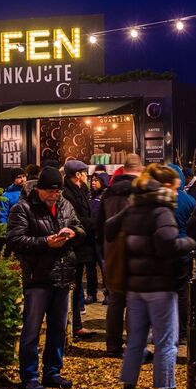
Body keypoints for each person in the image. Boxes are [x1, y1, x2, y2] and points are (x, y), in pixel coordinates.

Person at [104, 164, 196, 389]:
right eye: (175, 188)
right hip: (159, 286)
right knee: (166, 343)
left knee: (135, 343)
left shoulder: (134, 206)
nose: (177, 194)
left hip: (134, 286)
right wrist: (190, 242)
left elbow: (109, 229)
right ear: (165, 186)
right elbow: (168, 245)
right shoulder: (161, 210)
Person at [6, 167, 85, 389]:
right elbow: (15, 240)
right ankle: (29, 376)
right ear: (38, 189)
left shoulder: (65, 205)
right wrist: (44, 243)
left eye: (57, 191)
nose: (54, 195)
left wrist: (73, 233)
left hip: (62, 275)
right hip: (37, 277)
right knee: (31, 329)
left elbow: (80, 227)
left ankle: (52, 372)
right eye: (50, 191)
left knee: (58, 328)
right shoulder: (22, 209)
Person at [98, 153, 143, 357]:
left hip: (112, 251)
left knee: (116, 300)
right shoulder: (141, 192)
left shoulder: (108, 193)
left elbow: (99, 224)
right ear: (139, 170)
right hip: (135, 252)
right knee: (134, 300)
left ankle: (112, 345)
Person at [61, 160, 95, 338]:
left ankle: (76, 326)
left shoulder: (80, 191)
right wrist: (97, 223)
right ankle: (72, 327)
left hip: (83, 245)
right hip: (75, 246)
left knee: (76, 288)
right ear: (78, 175)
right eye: (84, 172)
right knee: (72, 287)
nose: (87, 176)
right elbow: (76, 219)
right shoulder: (67, 194)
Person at [167, 163, 196, 342]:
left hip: (164, 251)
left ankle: (167, 329)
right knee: (183, 291)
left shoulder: (161, 198)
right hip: (184, 251)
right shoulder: (189, 201)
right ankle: (183, 332)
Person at [88, 171, 110, 304]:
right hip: (91, 237)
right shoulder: (90, 196)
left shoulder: (106, 196)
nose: (93, 182)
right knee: (91, 268)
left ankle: (107, 293)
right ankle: (91, 293)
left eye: (96, 180)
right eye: (92, 180)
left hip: (101, 237)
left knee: (104, 266)